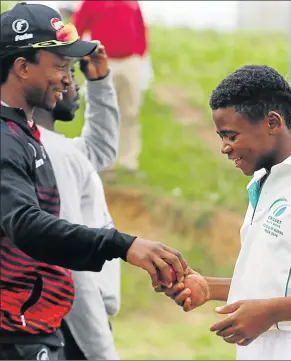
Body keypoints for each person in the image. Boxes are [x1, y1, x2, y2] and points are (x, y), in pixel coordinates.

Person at [0, 3, 187, 360]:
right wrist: (123, 245)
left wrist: (100, 84)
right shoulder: (8, 139)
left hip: (40, 331)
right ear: (22, 68)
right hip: (21, 338)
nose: (68, 79)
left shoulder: (28, 136)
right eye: (59, 67)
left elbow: (99, 149)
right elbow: (28, 226)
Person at [157, 65, 291, 360]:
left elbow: (272, 304)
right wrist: (208, 287)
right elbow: (279, 282)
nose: (225, 148)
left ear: (273, 123)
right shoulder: (263, 182)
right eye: (221, 136)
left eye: (231, 135)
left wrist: (270, 313)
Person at [35, 45, 121, 359]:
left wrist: (99, 82)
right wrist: (104, 353)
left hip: (66, 321)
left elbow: (100, 148)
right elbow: (73, 264)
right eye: (66, 70)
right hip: (71, 323)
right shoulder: (53, 154)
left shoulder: (49, 148)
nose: (73, 83)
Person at [73, 0, 149, 174]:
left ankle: (129, 160)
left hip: (130, 61)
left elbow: (140, 26)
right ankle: (103, 160)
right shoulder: (90, 2)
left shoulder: (132, 2)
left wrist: (141, 53)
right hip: (103, 61)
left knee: (130, 112)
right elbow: (78, 27)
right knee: (102, 110)